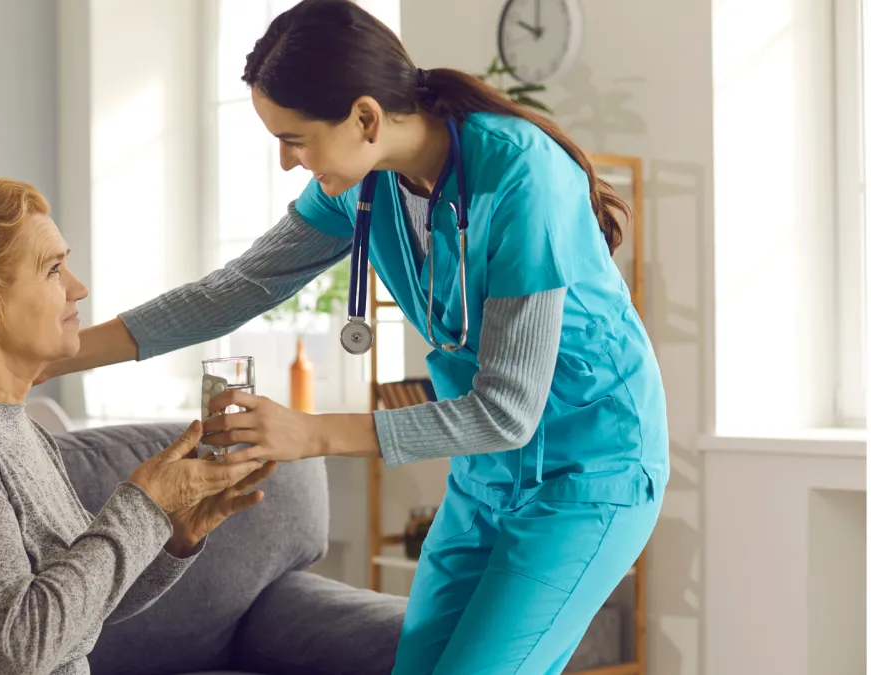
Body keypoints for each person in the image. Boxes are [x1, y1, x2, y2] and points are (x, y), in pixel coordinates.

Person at [40, 0, 668, 672]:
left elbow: (509, 409)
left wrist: (311, 432)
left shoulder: (521, 176)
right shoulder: (366, 187)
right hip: (487, 473)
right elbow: (235, 290)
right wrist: (56, 356)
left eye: (295, 138)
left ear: (366, 118)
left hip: (589, 470)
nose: (286, 162)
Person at [0, 178, 276, 675]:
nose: (78, 288)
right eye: (54, 269)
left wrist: (172, 532)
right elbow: (22, 648)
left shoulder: (9, 423)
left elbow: (79, 610)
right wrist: (144, 507)